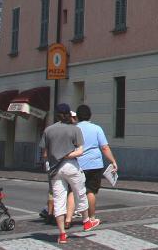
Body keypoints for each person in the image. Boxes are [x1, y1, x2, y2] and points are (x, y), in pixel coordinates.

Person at [39, 103, 99, 243]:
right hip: (71, 166)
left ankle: (62, 234)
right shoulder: (75, 130)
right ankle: (86, 221)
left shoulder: (48, 130)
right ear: (69, 115)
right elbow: (80, 151)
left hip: (55, 169)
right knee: (80, 192)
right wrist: (67, 155)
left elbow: (45, 154)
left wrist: (52, 160)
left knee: (59, 200)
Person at [74, 105, 118, 223]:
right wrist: (113, 161)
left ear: (77, 116)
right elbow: (104, 147)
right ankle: (91, 218)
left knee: (74, 191)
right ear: (90, 115)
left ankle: (68, 218)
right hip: (95, 164)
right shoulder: (97, 128)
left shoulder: (74, 129)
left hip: (78, 164)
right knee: (91, 191)